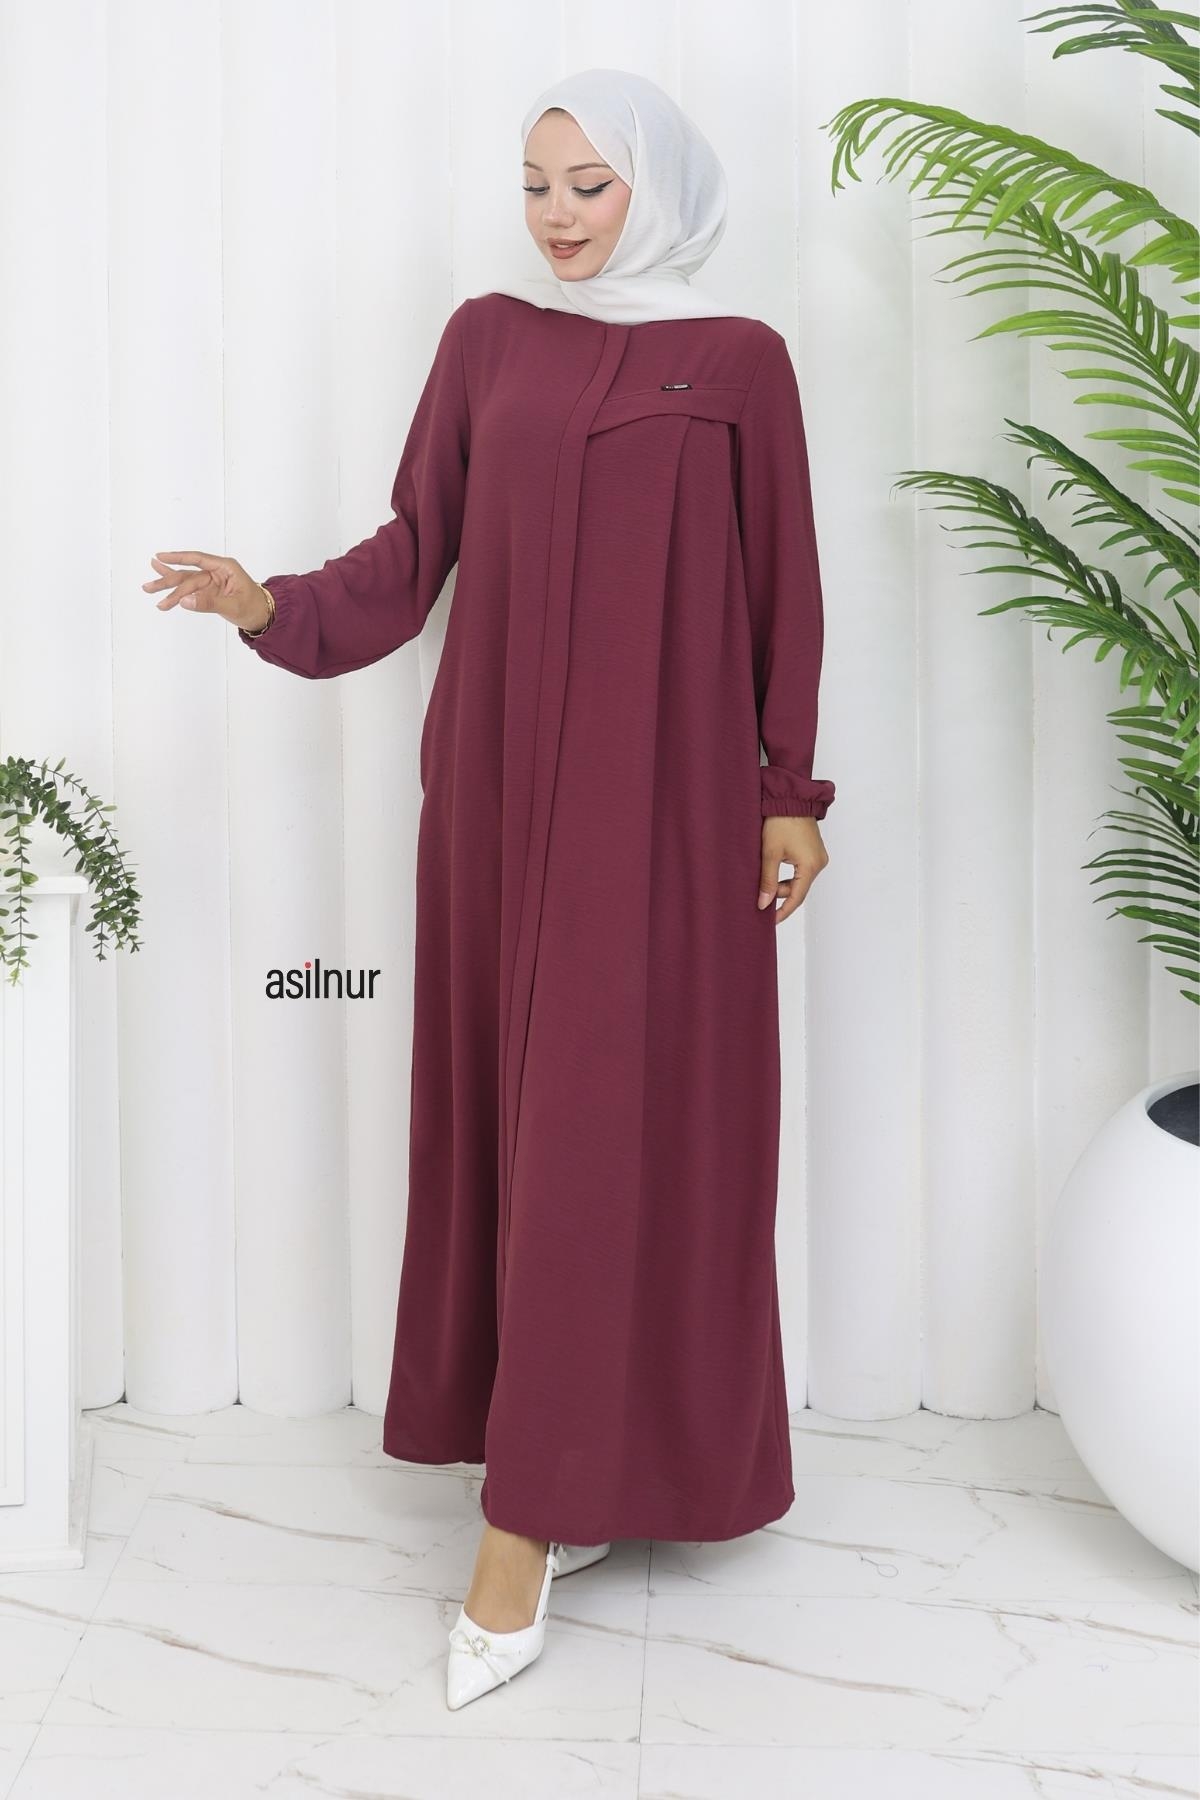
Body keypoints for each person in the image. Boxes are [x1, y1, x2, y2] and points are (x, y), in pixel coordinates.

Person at [143, 66, 836, 1711]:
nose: (557, 216)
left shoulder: (741, 361)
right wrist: (268, 601)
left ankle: (528, 1522)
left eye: (590, 185)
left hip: (668, 823)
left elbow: (785, 590)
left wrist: (790, 793)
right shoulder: (485, 341)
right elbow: (413, 551)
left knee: (623, 1139)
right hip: (499, 811)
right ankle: (550, 1463)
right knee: (520, 1137)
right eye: (536, 185)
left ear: (656, 189)